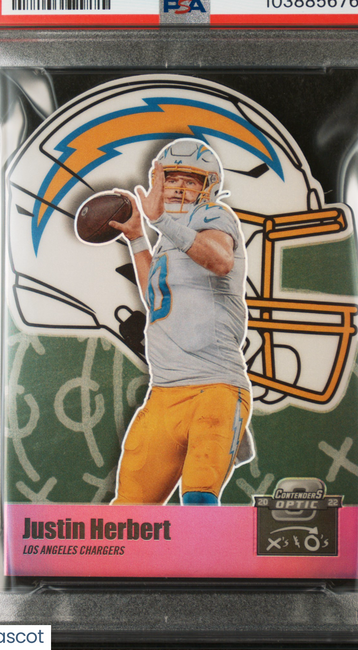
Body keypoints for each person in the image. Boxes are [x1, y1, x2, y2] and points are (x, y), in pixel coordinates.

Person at [109, 138, 252, 506]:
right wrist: (138, 238)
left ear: (209, 186)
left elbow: (220, 261)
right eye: (171, 179)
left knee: (199, 499)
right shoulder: (168, 238)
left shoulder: (213, 216)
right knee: (127, 512)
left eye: (189, 180)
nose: (177, 188)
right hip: (163, 392)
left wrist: (159, 221)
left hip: (214, 387)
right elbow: (155, 296)